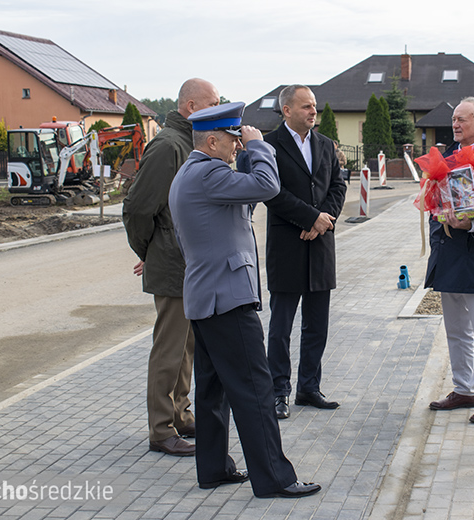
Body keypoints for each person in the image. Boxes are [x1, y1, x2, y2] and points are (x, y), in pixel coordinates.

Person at [168, 102, 321, 498]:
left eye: (241, 139)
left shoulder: (195, 173)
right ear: (212, 140)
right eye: (233, 139)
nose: (238, 145)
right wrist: (260, 148)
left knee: (213, 389)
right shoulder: (208, 172)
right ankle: (275, 478)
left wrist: (248, 156)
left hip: (210, 298)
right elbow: (268, 187)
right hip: (226, 301)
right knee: (255, 390)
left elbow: (241, 205)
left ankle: (215, 468)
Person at [122, 78, 220, 457]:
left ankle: (180, 413)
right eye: (212, 103)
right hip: (172, 263)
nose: (217, 108)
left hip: (189, 263)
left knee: (186, 348)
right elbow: (138, 208)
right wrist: (150, 250)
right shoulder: (167, 146)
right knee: (169, 349)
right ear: (192, 107)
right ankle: (161, 428)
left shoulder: (188, 142)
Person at [263, 85, 347, 420]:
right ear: (286, 110)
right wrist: (309, 217)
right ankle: (278, 391)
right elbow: (271, 192)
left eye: (314, 107)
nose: (313, 112)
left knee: (317, 326)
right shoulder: (269, 146)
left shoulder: (324, 144)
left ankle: (309, 387)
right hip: (287, 247)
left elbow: (338, 185)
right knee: (281, 328)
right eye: (306, 106)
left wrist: (323, 220)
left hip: (320, 248)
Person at [425, 97, 474, 424]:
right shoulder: (446, 158)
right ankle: (463, 388)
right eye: (454, 119)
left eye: (463, 120)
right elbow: (434, 201)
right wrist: (441, 217)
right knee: (456, 329)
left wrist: (471, 223)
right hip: (450, 253)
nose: (456, 125)